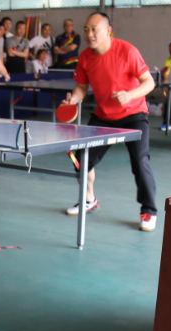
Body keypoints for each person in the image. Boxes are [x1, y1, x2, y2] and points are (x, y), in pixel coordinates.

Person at [60, 13, 157, 231]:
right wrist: (74, 99)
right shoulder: (85, 57)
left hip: (134, 115)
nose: (89, 34)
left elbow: (149, 82)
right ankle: (89, 200)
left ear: (108, 30)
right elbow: (82, 86)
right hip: (104, 116)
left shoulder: (127, 51)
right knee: (80, 160)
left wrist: (130, 95)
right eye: (86, 29)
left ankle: (149, 211)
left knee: (140, 162)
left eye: (94, 29)